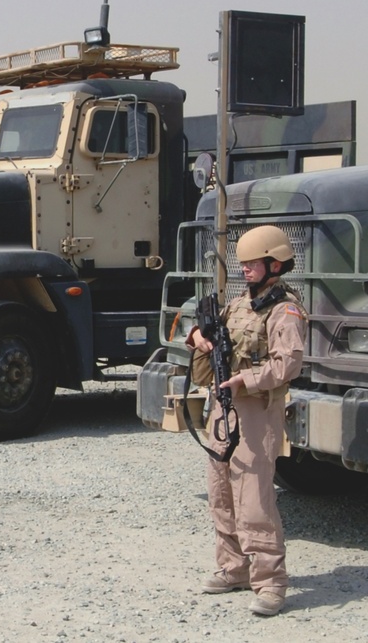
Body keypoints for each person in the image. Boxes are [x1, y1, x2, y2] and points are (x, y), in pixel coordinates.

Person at [185, 224, 308, 617]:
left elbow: (287, 362)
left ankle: (271, 582)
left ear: (275, 264)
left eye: (254, 263)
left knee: (254, 500)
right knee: (221, 494)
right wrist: (198, 338)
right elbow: (211, 334)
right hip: (225, 406)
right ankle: (234, 568)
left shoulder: (284, 309)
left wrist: (246, 379)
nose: (246, 270)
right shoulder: (240, 303)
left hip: (256, 408)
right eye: (245, 263)